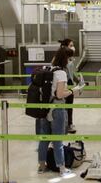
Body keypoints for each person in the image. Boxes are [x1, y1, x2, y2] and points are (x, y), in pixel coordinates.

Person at [36, 46, 80, 177]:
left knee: (44, 139)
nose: (70, 61)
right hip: (57, 109)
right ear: (65, 59)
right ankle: (62, 168)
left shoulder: (47, 69)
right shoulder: (61, 73)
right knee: (58, 140)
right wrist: (73, 90)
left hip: (44, 108)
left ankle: (41, 166)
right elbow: (60, 94)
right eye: (70, 58)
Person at [58, 39, 78, 133]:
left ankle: (69, 124)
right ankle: (63, 125)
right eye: (70, 45)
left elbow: (71, 73)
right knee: (63, 106)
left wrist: (77, 80)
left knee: (69, 106)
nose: (72, 47)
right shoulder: (60, 59)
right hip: (63, 84)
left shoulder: (70, 59)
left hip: (69, 84)